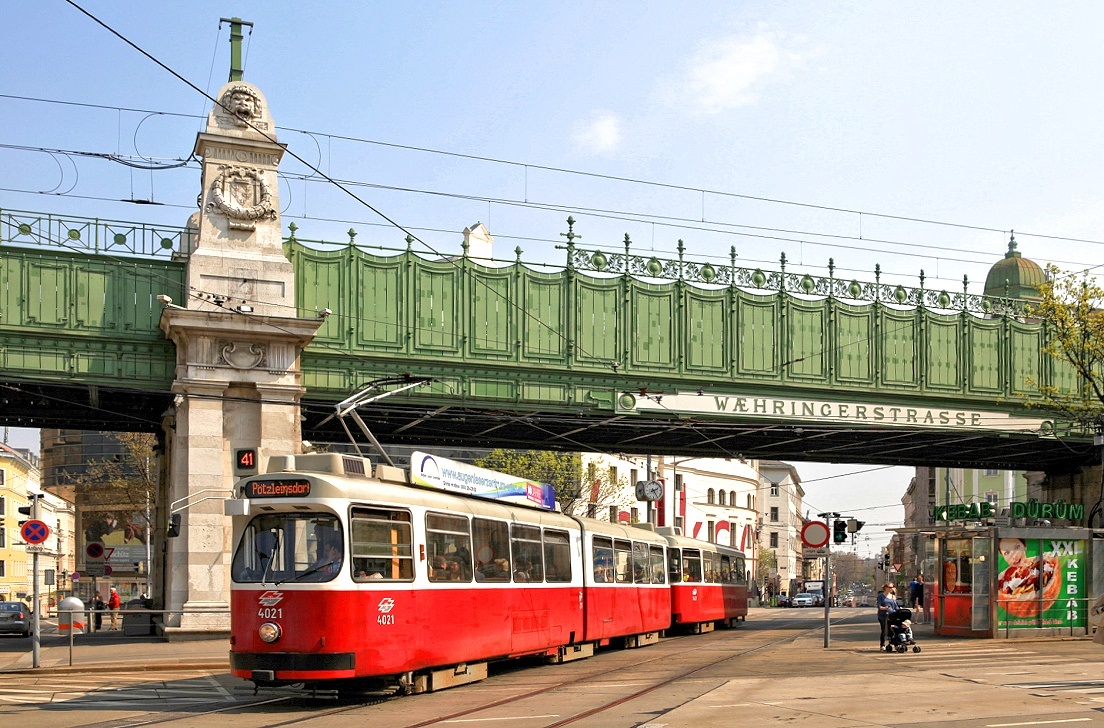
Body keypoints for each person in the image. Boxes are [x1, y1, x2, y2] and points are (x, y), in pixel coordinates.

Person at [877, 582, 899, 648]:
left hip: (892, 615)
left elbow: (895, 606)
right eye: (890, 587)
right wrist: (884, 608)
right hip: (883, 615)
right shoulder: (881, 596)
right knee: (884, 629)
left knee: (893, 629)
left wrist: (899, 610)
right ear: (886, 588)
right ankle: (882, 645)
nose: (891, 589)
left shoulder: (892, 596)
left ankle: (895, 643)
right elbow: (879, 606)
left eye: (892, 587)